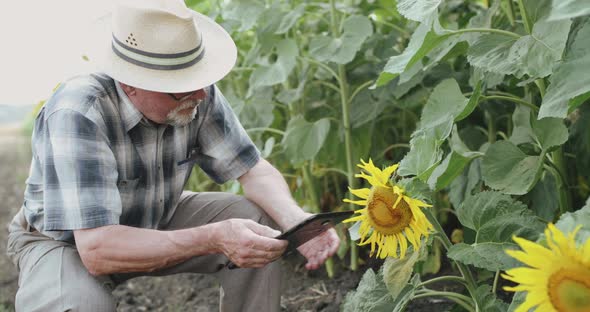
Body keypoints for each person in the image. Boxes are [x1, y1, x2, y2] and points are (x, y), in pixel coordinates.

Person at [5, 1, 340, 311]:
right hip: (69, 243)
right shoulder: (80, 110)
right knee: (77, 306)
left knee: (259, 224)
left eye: (199, 79)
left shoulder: (196, 94)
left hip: (157, 215)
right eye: (180, 85)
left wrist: (298, 222)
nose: (199, 93)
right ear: (130, 83)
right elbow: (97, 250)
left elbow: (252, 170)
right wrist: (214, 236)